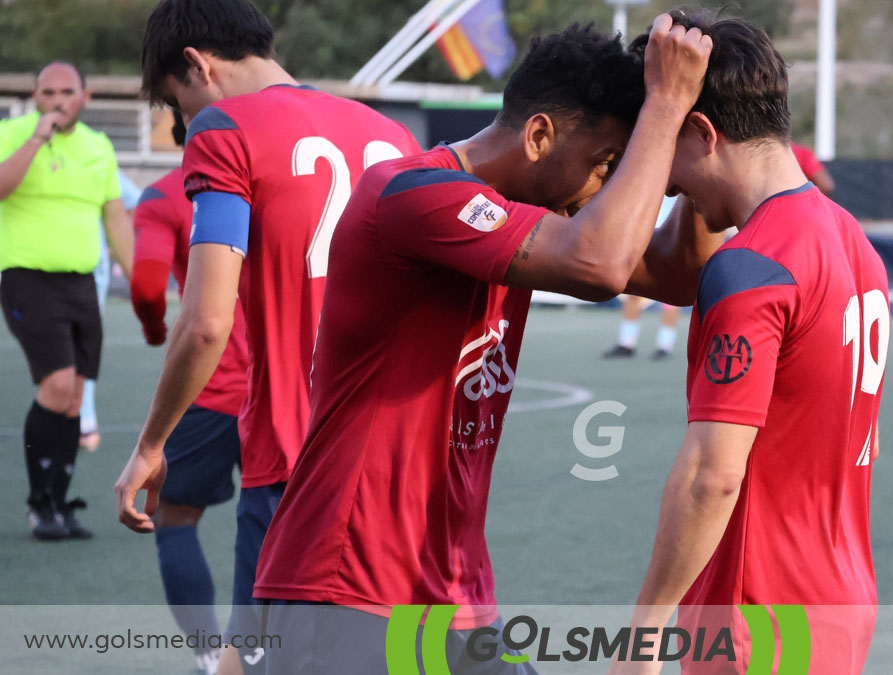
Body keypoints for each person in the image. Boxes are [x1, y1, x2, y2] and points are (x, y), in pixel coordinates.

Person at [252, 17, 716, 673]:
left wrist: (691, 119)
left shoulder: (535, 217)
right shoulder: (411, 193)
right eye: (602, 164)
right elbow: (602, 265)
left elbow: (680, 273)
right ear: (539, 135)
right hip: (349, 587)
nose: (602, 187)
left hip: (457, 596)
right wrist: (665, 107)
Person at [113, 0, 422, 671]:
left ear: (195, 64)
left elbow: (204, 324)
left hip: (296, 454)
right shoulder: (394, 136)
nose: (186, 121)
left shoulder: (224, 129)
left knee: (274, 655)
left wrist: (151, 443)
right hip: (398, 460)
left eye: (179, 101)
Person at [616, 11, 887, 675]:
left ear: (703, 133)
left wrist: (645, 631)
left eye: (658, 144)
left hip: (752, 620)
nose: (660, 176)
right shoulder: (850, 239)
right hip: (837, 607)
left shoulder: (752, 268)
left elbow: (714, 474)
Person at [130, 110, 248, 675]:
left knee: (175, 519)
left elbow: (148, 285)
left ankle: (211, 656)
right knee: (284, 524)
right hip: (289, 387)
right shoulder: (267, 181)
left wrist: (156, 331)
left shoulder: (161, 195)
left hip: (210, 384)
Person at [0, 61, 133, 541]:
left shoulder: (98, 147)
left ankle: (60, 500)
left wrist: (139, 282)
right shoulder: (12, 133)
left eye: (67, 92)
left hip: (81, 285)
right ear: (35, 96)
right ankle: (39, 506)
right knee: (56, 384)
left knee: (75, 394)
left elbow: (115, 216)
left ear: (85, 97)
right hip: (26, 279)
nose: (57, 100)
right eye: (47, 91)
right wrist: (36, 139)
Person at [79, 168, 142, 452]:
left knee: (83, 347)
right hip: (42, 278)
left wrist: (117, 244)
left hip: (92, 275)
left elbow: (135, 200)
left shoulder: (95, 157)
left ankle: (83, 419)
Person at [603, 195, 683, 360]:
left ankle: (665, 346)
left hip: (672, 240)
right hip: (645, 238)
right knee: (633, 295)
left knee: (671, 300)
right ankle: (627, 344)